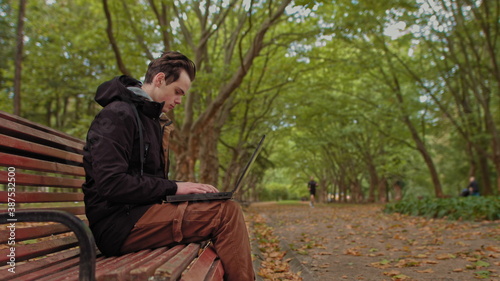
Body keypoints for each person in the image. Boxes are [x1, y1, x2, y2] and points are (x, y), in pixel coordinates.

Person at [82, 51, 255, 281]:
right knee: (225, 214)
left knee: (223, 206)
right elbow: (111, 184)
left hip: (139, 215)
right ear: (159, 79)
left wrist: (182, 190)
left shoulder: (151, 120)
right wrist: (174, 188)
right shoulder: (117, 115)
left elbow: (150, 182)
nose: (179, 101)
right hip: (117, 226)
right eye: (178, 92)